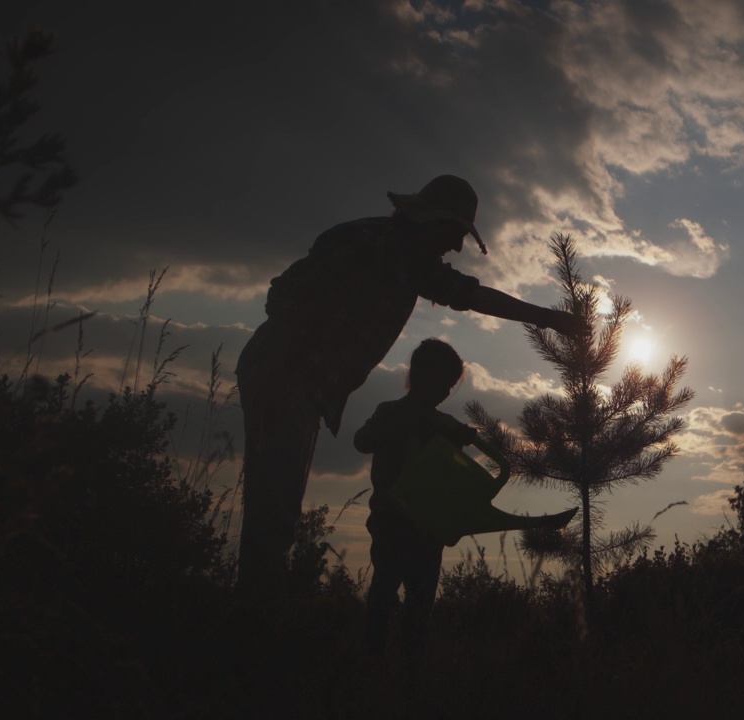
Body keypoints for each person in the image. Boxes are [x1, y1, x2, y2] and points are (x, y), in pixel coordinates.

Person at [234, 175, 581, 592]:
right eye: (454, 234)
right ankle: (254, 621)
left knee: (278, 506)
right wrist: (284, 365)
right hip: (283, 375)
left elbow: (475, 296)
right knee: (273, 507)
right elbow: (283, 294)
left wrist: (549, 319)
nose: (456, 247)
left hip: (306, 388)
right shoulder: (364, 241)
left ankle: (258, 608)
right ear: (430, 219)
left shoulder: (415, 265)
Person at [354, 338, 473, 661]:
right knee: (383, 594)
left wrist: (462, 437)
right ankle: (376, 659)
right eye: (443, 383)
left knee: (419, 605)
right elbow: (362, 440)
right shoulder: (390, 412)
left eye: (450, 385)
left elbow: (452, 466)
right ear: (421, 376)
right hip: (391, 522)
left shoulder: (444, 424)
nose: (446, 391)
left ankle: (408, 668)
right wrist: (404, 425)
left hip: (427, 528)